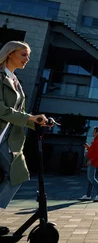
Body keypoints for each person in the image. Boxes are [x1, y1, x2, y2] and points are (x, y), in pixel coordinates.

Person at [0, 41, 48, 236]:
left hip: (8, 139)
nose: (27, 59)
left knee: (16, 175)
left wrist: (37, 122)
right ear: (10, 54)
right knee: (16, 175)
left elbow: (19, 113)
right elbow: (2, 109)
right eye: (23, 55)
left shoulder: (15, 80)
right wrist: (29, 118)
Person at [78, 126, 98, 202]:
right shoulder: (97, 140)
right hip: (93, 160)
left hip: (94, 161)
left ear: (97, 133)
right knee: (90, 179)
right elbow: (94, 151)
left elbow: (97, 153)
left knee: (91, 178)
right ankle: (88, 195)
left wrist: (91, 160)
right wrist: (88, 147)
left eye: (94, 131)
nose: (93, 132)